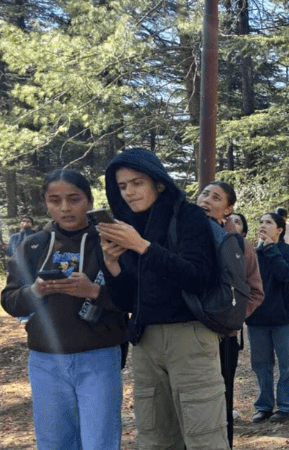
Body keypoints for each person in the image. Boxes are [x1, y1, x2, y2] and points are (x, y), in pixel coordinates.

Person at [96, 148, 227, 449]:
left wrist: (142, 246)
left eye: (137, 183)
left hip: (190, 337)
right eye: (122, 186)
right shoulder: (128, 225)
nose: (129, 192)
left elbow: (199, 278)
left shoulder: (188, 216)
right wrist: (113, 266)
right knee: (155, 439)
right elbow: (127, 301)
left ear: (158, 182)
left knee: (204, 438)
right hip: (146, 341)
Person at [2, 169, 126, 450]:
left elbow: (134, 296)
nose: (65, 208)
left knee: (100, 442)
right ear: (45, 203)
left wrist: (94, 292)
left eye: (74, 199)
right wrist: (35, 292)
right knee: (54, 443)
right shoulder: (33, 245)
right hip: (45, 360)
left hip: (98, 356)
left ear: (89, 200)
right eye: (55, 200)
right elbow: (10, 300)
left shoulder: (110, 241)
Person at [197, 181, 265, 445]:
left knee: (221, 402)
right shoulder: (179, 235)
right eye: (204, 194)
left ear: (228, 209)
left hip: (223, 338)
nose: (206, 200)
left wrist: (230, 320)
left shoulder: (237, 244)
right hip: (185, 337)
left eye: (216, 198)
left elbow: (255, 292)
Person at [246, 212, 289, 423]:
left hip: (284, 318)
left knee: (287, 365)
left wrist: (271, 249)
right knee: (261, 365)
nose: (262, 225)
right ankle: (264, 406)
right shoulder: (252, 253)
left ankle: (287, 406)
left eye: (268, 222)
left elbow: (286, 274)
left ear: (279, 229)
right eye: (260, 222)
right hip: (257, 318)